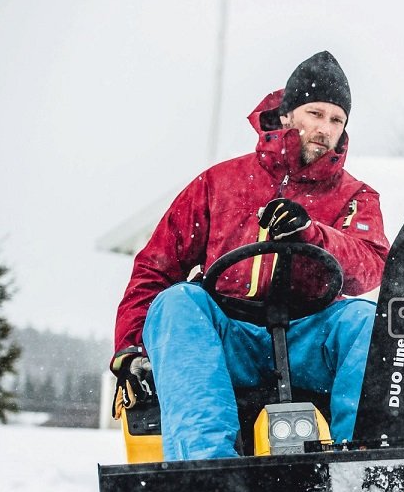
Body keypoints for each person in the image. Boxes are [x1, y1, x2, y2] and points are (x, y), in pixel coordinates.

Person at [110, 51, 389, 460]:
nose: (325, 128)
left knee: (366, 319)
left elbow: (369, 265)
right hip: (229, 336)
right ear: (288, 114)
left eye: (337, 120)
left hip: (307, 338)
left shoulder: (355, 196)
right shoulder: (219, 184)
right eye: (316, 113)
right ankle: (206, 467)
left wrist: (311, 234)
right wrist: (130, 346)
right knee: (177, 301)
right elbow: (156, 267)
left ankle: (362, 466)